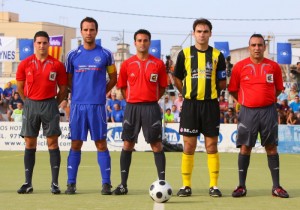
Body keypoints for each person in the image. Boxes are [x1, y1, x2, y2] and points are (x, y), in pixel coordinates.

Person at [228, 33, 289, 198]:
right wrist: (246, 101)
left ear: (264, 47)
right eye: (253, 45)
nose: (257, 48)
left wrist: (266, 99)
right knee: (245, 147)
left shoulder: (273, 66)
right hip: (248, 111)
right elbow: (233, 89)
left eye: (260, 45)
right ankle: (241, 186)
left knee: (271, 147)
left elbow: (278, 89)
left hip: (268, 111)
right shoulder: (240, 67)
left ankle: (276, 187)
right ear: (249, 47)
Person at [173, 18, 226, 197]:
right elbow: (177, 78)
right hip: (190, 105)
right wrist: (187, 92)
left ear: (210, 33)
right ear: (193, 33)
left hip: (210, 105)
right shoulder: (185, 54)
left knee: (212, 145)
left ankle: (214, 186)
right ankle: (186, 185)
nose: (202, 34)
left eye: (205, 31)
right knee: (189, 146)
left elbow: (222, 81)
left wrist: (212, 93)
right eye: (199, 31)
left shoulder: (218, 55)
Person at [65, 17, 117, 195]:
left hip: (97, 106)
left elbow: (114, 78)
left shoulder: (106, 54)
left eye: (92, 30)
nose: (89, 33)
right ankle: (71, 184)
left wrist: (101, 92)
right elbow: (68, 81)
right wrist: (78, 94)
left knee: (101, 144)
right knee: (76, 144)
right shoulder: (72, 55)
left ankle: (106, 184)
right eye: (85, 30)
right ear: (81, 32)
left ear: (96, 31)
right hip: (78, 106)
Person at [112, 29, 168, 195]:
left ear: (149, 43)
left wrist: (151, 98)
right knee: (128, 144)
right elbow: (121, 86)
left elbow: (163, 87)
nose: (142, 43)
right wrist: (132, 99)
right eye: (139, 40)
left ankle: (162, 182)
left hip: (151, 107)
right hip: (132, 108)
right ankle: (123, 185)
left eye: (145, 40)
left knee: (156, 144)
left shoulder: (158, 64)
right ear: (135, 43)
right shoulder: (127, 64)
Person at [16, 31, 68, 194]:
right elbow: (19, 87)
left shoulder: (57, 65)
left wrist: (54, 103)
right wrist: (28, 102)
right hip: (31, 105)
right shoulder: (25, 64)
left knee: (52, 143)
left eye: (45, 42)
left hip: (49, 105)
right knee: (30, 143)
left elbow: (64, 88)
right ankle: (28, 183)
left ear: (49, 44)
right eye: (39, 43)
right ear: (34, 44)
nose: (42, 45)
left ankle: (55, 183)